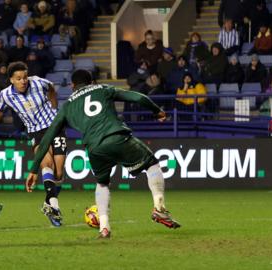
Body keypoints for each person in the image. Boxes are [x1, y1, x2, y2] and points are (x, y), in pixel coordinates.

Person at [26, 70, 181, 238]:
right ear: (91, 82)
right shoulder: (103, 89)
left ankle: (104, 228)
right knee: (152, 165)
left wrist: (34, 170)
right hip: (117, 137)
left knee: (102, 184)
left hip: (94, 149)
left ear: (72, 86)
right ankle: (159, 209)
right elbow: (138, 97)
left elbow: (47, 138)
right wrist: (157, 111)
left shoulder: (67, 106)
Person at [0, 62, 67, 227]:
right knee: (46, 163)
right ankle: (54, 207)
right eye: (19, 78)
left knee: (59, 172)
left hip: (54, 126)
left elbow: (51, 89)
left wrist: (55, 109)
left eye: (25, 77)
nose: (23, 81)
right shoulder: (6, 95)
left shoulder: (38, 82)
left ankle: (48, 204)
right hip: (35, 132)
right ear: (11, 80)